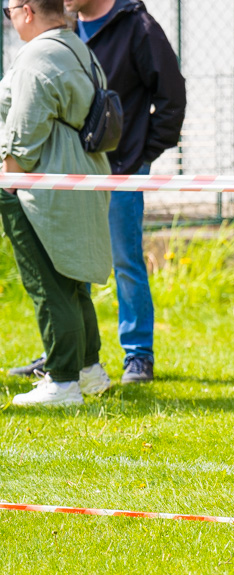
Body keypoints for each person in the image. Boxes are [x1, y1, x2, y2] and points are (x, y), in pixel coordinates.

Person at [21, 0, 186, 385]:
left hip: (120, 171)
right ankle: (63, 353)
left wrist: (140, 155)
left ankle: (138, 356)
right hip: (69, 170)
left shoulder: (139, 27)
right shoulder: (65, 27)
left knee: (125, 261)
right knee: (63, 260)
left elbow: (171, 96)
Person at [1, 0, 113, 405]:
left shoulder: (37, 55)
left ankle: (62, 381)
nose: (9, 19)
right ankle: (88, 370)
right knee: (71, 279)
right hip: (79, 175)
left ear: (27, 11)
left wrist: (8, 178)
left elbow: (24, 132)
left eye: (9, 10)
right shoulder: (76, 46)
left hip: (38, 183)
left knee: (49, 284)